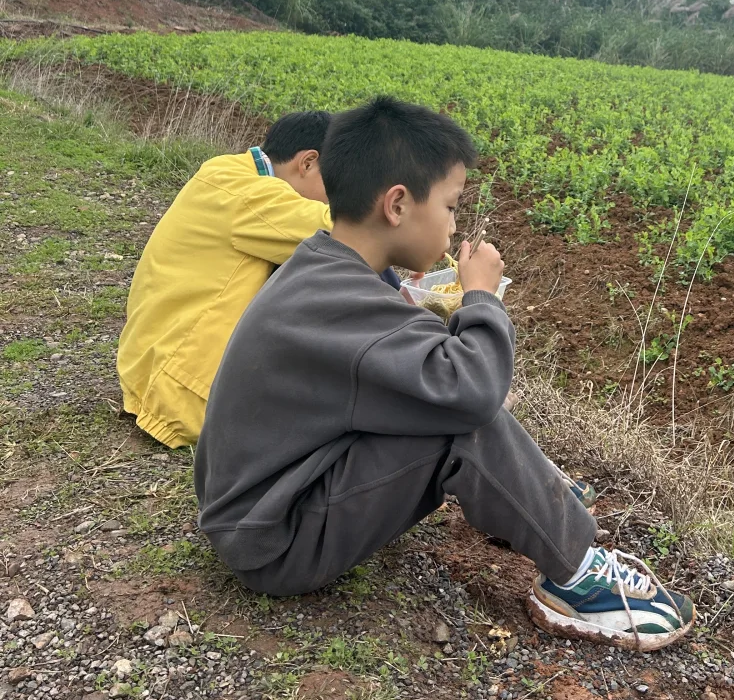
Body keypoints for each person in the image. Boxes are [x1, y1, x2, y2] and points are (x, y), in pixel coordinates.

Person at [195, 96, 694, 651]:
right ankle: (578, 574)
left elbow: (401, 368)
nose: (456, 225)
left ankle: (524, 497)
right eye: (453, 207)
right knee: (465, 415)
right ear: (397, 205)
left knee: (452, 392)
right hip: (276, 544)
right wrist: (480, 295)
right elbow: (473, 390)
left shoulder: (323, 268)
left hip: (263, 511)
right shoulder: (337, 297)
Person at [120, 110, 399, 449]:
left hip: (156, 366)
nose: (337, 198)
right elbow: (344, 227)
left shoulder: (228, 172)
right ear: (308, 163)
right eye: (339, 185)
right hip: (185, 392)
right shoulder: (248, 194)